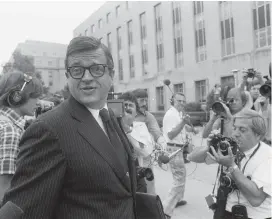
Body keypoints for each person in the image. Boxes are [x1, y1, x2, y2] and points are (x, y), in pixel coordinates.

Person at [2, 36, 137, 219]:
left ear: (111, 74)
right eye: (77, 70)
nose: (86, 77)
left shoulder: (110, 116)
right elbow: (24, 209)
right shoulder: (48, 129)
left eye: (96, 69)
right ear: (67, 77)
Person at [189, 109, 272, 219]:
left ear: (258, 135)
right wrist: (210, 147)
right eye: (234, 128)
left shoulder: (267, 156)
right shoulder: (229, 147)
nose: (235, 134)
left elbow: (256, 199)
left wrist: (232, 166)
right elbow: (192, 157)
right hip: (223, 211)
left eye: (242, 130)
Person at [0, 71, 42, 200]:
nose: (38, 101)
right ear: (17, 96)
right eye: (35, 96)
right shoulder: (10, 131)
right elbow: (4, 187)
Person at [162, 92, 198, 219]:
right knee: (179, 179)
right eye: (179, 101)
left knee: (180, 176)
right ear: (172, 100)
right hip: (173, 149)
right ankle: (166, 210)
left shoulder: (177, 114)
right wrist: (183, 123)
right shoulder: (171, 114)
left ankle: (177, 199)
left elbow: (181, 128)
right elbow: (171, 134)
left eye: (183, 101)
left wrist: (190, 127)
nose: (182, 103)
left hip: (178, 149)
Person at [119, 91, 156, 194]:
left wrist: (127, 130)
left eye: (130, 105)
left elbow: (146, 151)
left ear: (136, 112)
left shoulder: (140, 127)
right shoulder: (111, 127)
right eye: (124, 106)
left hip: (137, 179)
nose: (127, 108)